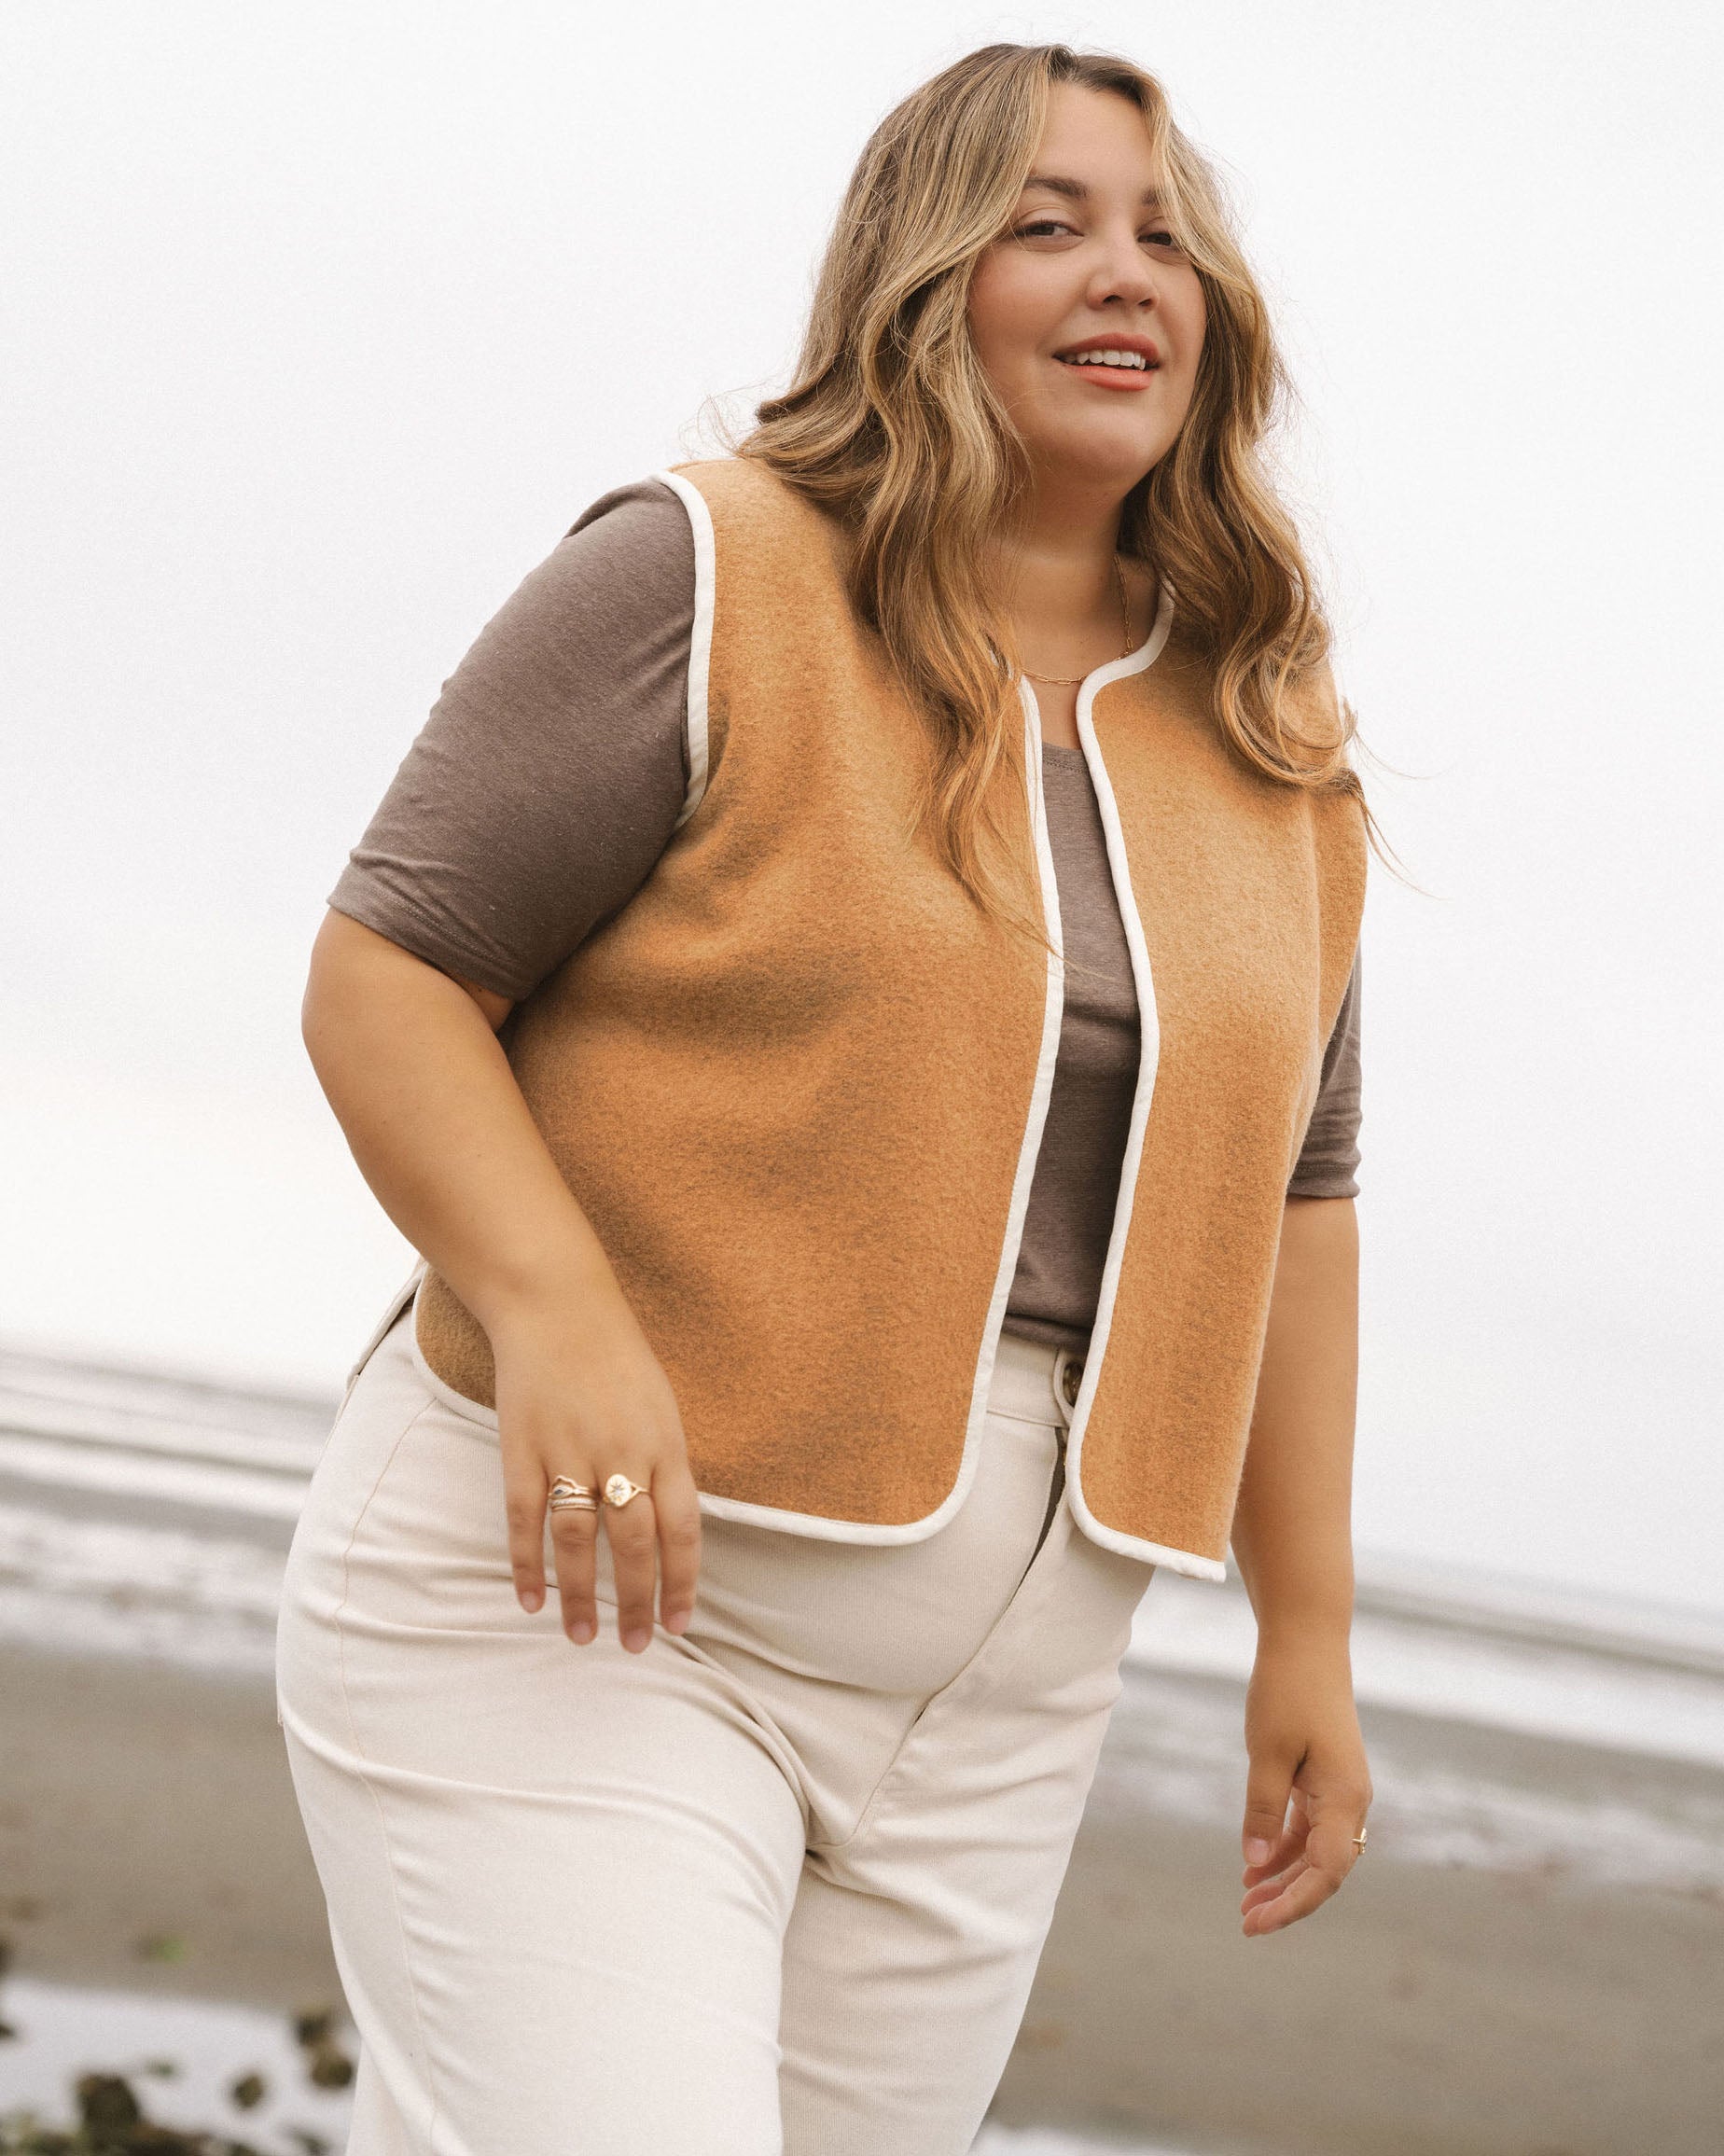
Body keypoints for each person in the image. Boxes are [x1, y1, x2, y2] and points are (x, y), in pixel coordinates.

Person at [276, 39, 1384, 2156]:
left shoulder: (1271, 716)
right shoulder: (702, 574)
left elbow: (1303, 1196)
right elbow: (389, 971)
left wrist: (1308, 1628)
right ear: (922, 276)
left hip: (1004, 1718)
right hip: (589, 1627)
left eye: (1165, 232)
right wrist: (559, 1312)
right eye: (1047, 223)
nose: (1121, 272)